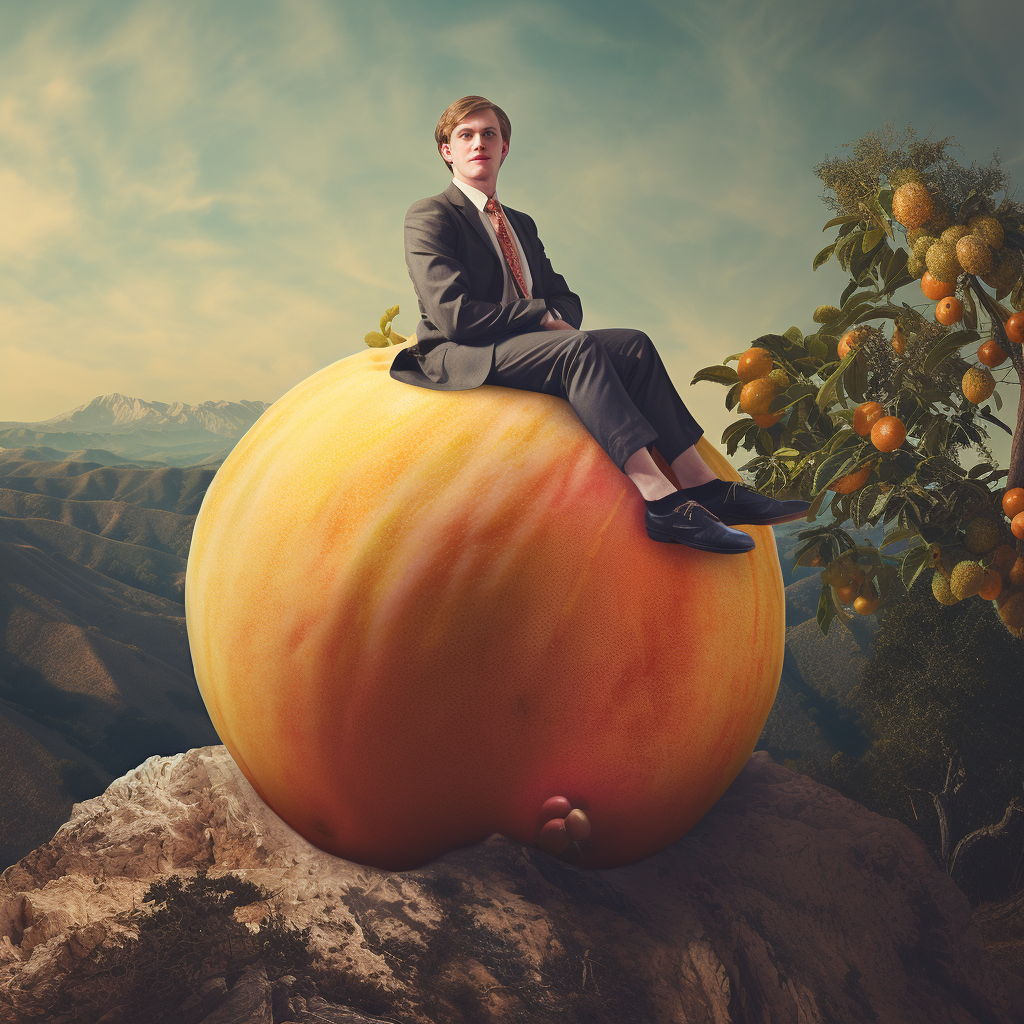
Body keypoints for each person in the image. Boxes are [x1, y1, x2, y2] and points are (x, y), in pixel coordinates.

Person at [391, 95, 808, 552]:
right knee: (579, 350)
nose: (479, 143)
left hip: (531, 344)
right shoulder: (429, 214)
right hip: (463, 351)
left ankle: (702, 484)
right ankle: (661, 502)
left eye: (489, 133)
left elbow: (565, 296)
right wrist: (541, 316)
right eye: (465, 135)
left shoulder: (520, 224)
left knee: (634, 345)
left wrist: (555, 316)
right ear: (447, 151)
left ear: (505, 147)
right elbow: (454, 315)